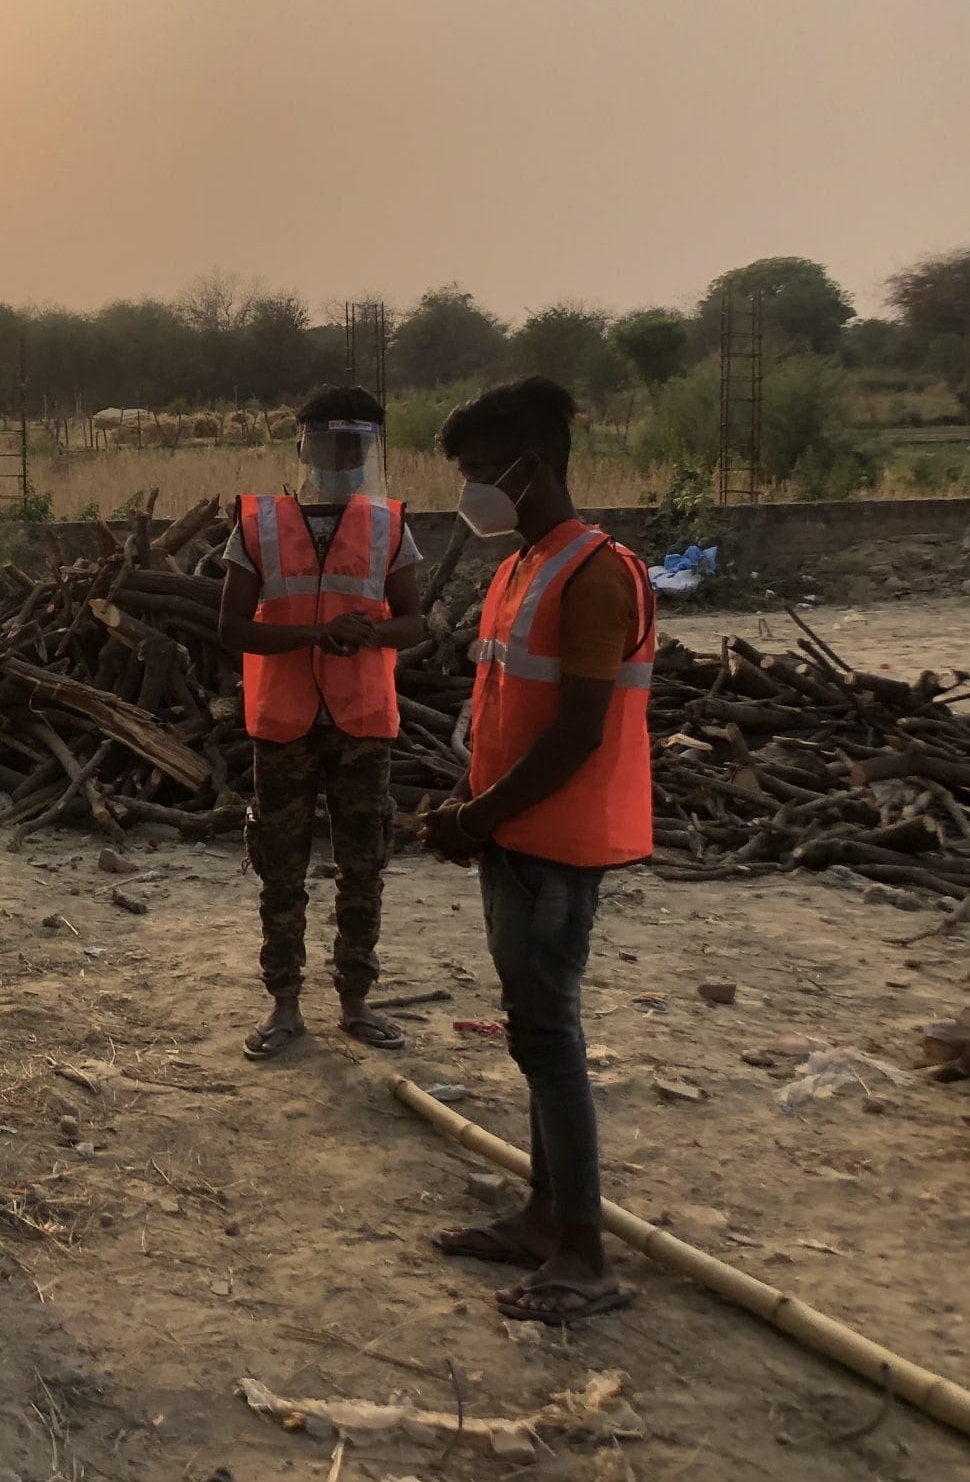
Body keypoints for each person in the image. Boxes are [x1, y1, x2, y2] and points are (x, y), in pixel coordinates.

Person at [426, 376, 654, 1326]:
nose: (472, 491)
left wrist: (479, 820)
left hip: (554, 845)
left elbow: (577, 734)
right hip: (513, 833)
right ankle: (543, 1215)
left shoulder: (595, 574)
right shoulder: (525, 564)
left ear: (531, 467)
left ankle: (585, 1255)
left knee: (551, 1039)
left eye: (482, 473)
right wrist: (472, 805)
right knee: (531, 1031)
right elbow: (507, 711)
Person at [218, 386, 425, 1060]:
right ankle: (284, 1003)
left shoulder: (390, 524)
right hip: (283, 720)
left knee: (363, 863)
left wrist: (368, 634)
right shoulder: (259, 523)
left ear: (370, 450)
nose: (340, 457)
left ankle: (356, 999)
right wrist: (317, 632)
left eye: (354, 446)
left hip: (363, 718)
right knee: (282, 865)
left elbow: (415, 620)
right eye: (328, 443)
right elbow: (232, 626)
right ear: (302, 444)